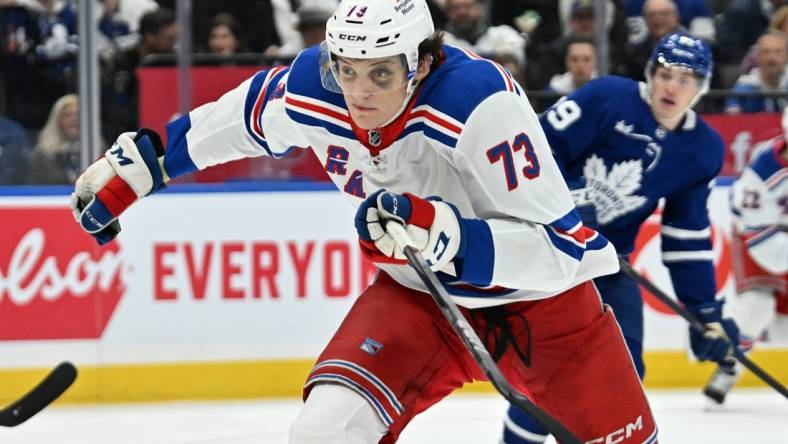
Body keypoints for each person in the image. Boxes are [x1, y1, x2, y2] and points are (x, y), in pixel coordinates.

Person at [69, 0, 658, 442]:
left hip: (545, 311)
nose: (359, 92)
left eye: (381, 73)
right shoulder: (313, 86)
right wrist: (135, 170)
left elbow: (557, 248)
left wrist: (445, 233)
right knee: (321, 433)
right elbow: (233, 121)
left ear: (424, 62)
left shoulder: (481, 104)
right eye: (346, 70)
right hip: (420, 300)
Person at [502, 32, 741, 444]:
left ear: (701, 88)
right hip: (551, 252)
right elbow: (534, 146)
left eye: (686, 79)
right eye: (665, 74)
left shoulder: (703, 149)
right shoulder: (606, 97)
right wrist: (572, 201)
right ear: (651, 74)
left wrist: (704, 312)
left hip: (611, 264)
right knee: (552, 370)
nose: (672, 87)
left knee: (625, 368)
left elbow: (686, 236)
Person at [703, 107, 788, 405]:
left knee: (783, 327)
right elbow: (770, 252)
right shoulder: (763, 170)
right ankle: (729, 368)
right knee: (756, 307)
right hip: (758, 240)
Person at [725, 30, 788, 114]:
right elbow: (731, 118)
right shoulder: (745, 87)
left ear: (786, 56)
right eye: (766, 52)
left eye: (778, 51)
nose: (772, 57)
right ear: (757, 56)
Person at [27, 94, 81, 184]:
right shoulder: (41, 155)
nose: (74, 119)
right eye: (67, 115)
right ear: (57, 120)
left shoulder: (99, 150)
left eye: (78, 114)